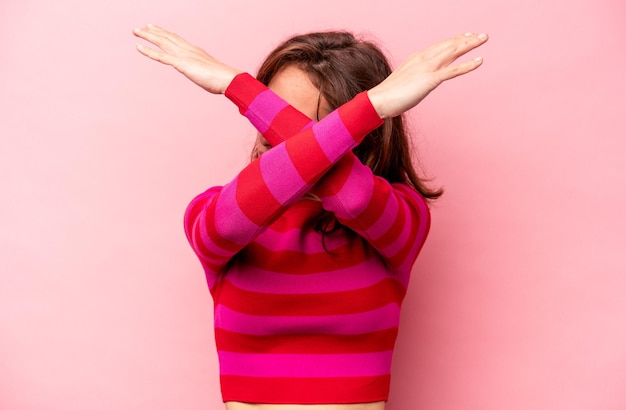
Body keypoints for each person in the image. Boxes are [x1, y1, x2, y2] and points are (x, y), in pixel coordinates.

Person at [133, 24, 488, 410]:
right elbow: (230, 221)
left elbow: (352, 197)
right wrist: (373, 106)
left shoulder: (401, 218)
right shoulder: (216, 210)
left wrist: (238, 88)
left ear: (365, 136)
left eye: (309, 129)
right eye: (269, 112)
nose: (275, 133)